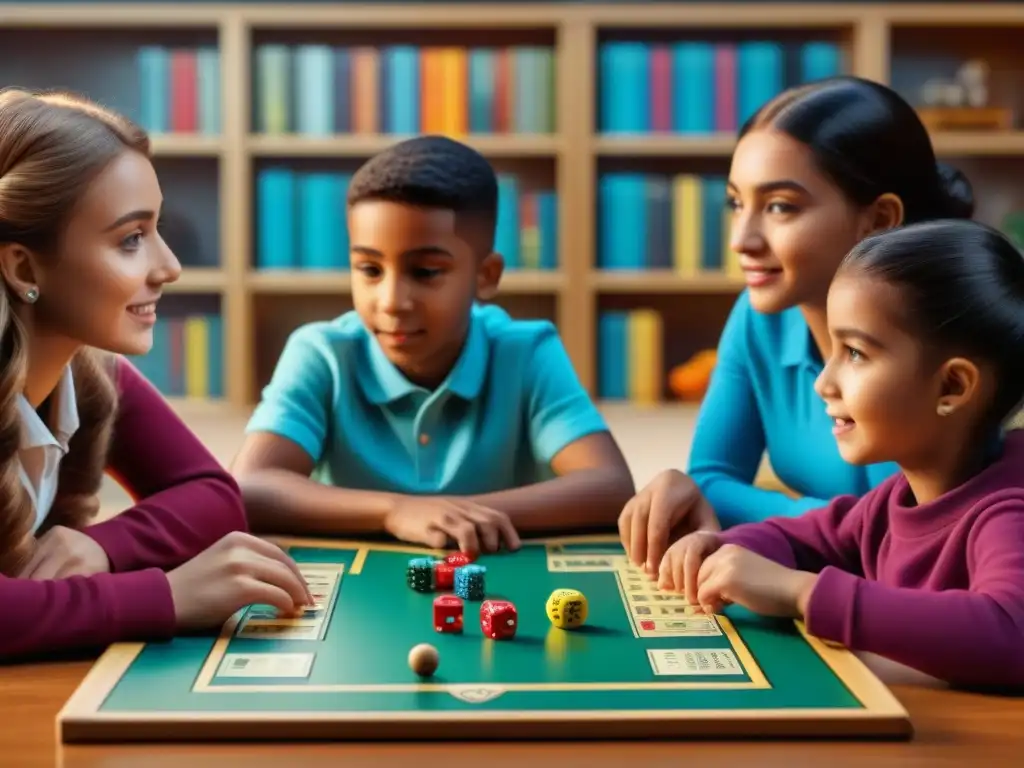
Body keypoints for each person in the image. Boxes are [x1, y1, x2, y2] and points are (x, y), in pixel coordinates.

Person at [619, 76, 976, 576]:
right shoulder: (758, 319)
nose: (741, 239)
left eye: (780, 206)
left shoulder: (946, 340)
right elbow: (713, 481)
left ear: (878, 220)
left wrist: (789, 522)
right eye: (736, 203)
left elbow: (912, 534)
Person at [0, 88, 311, 661]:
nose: (169, 266)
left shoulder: (92, 371)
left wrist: (104, 550)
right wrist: (166, 595)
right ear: (23, 266)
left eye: (156, 229)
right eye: (131, 239)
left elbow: (214, 496)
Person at [659, 219, 1024, 689]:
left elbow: (1009, 634)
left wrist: (801, 593)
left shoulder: (1007, 509)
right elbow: (797, 540)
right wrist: (724, 550)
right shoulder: (896, 500)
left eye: (854, 353)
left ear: (952, 386)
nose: (822, 383)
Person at [232, 136, 634, 552]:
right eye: (369, 269)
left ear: (486, 275)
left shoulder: (528, 352)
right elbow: (251, 488)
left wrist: (446, 515)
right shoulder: (321, 352)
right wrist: (395, 511)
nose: (391, 302)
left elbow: (609, 486)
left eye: (425, 272)